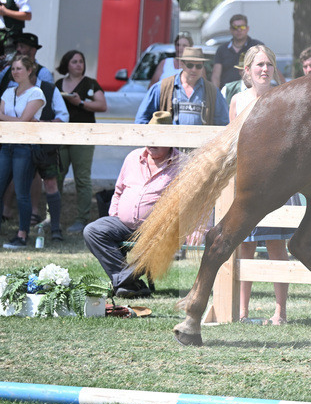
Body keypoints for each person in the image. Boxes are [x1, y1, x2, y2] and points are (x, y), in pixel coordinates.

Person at [83, 112, 180, 297]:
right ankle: (130, 283)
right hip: (124, 223)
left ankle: (121, 283)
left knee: (162, 236)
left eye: (158, 138)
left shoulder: (181, 164)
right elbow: (118, 190)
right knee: (93, 230)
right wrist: (114, 215)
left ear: (171, 140)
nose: (152, 143)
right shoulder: (133, 157)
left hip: (158, 229)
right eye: (149, 137)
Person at [230, 45, 291, 325]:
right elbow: (232, 144)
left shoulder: (285, 97)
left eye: (268, 65)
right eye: (259, 65)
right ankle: (242, 312)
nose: (264, 70)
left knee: (277, 245)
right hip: (247, 182)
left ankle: (280, 312)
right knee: (246, 246)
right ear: (247, 70)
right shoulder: (238, 100)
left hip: (279, 180)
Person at [55, 50, 108, 234]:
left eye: (81, 61)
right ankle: (52, 217)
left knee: (82, 178)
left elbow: (102, 105)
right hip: (61, 136)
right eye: (74, 61)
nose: (79, 65)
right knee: (55, 176)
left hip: (84, 135)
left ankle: (82, 219)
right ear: (66, 64)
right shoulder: (58, 84)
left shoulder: (90, 83)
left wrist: (80, 103)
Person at [0, 55, 44, 248]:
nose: (15, 72)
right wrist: (18, 120)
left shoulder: (36, 93)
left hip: (25, 147)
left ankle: (22, 235)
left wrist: (6, 117)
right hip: (7, 144)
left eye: (19, 69)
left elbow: (23, 121)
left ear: (29, 70)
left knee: (22, 192)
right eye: (13, 69)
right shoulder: (8, 92)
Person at [135, 46, 229, 126]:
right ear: (182, 65)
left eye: (198, 66)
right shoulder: (161, 88)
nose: (194, 69)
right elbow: (142, 120)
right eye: (190, 65)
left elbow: (223, 124)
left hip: (201, 146)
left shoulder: (213, 91)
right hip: (168, 145)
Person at [211, 14, 282, 89]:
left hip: (254, 92)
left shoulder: (257, 46)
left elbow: (272, 68)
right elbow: (216, 76)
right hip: (228, 93)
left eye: (242, 27)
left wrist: (283, 87)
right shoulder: (222, 49)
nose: (239, 30)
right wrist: (217, 95)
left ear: (247, 28)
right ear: (230, 29)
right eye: (235, 27)